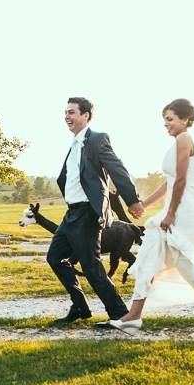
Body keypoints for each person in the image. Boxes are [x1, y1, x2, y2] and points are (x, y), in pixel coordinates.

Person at [109, 99, 194, 335]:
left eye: (170, 119)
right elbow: (170, 182)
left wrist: (170, 213)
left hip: (185, 209)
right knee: (148, 255)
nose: (166, 124)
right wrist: (145, 204)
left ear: (184, 119)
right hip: (177, 206)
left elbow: (181, 180)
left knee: (186, 261)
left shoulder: (184, 139)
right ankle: (134, 316)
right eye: (164, 120)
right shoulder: (177, 143)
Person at [47, 97, 144, 323]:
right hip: (71, 214)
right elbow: (68, 178)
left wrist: (132, 200)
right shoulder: (74, 144)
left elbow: (117, 169)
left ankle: (120, 315)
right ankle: (80, 307)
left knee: (91, 265)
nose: (67, 117)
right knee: (55, 257)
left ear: (86, 115)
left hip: (87, 213)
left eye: (71, 112)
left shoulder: (97, 139)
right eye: (65, 112)